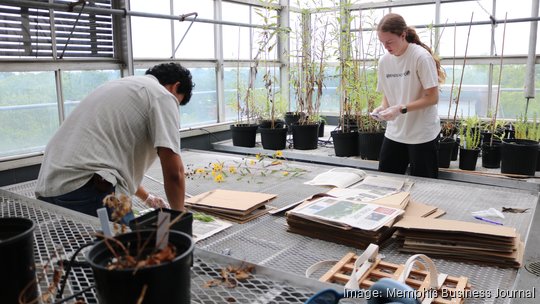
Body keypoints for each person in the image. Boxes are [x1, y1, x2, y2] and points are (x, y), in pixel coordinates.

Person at [35, 62, 194, 223]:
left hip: (49, 187)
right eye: (178, 102)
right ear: (176, 86)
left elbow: (108, 160)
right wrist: (179, 217)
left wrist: (147, 198)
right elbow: (175, 172)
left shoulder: (121, 86)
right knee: (128, 245)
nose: (175, 107)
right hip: (87, 189)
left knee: (88, 246)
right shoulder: (162, 95)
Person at [371, 13, 446, 178]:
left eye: (389, 42)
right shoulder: (384, 61)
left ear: (403, 35)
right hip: (395, 133)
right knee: (385, 182)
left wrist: (401, 109)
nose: (386, 47)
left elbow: (432, 98)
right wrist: (383, 108)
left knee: (424, 188)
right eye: (382, 42)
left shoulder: (420, 57)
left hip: (422, 135)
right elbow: (388, 93)